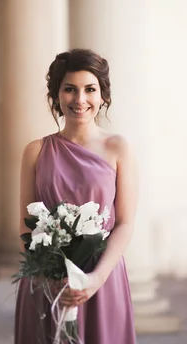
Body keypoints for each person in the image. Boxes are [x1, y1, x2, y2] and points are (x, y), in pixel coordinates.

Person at [14, 49, 138, 343]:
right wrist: (49, 274)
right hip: (47, 281)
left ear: (103, 96)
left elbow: (124, 223)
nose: (80, 99)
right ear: (57, 96)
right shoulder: (35, 151)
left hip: (102, 278)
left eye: (90, 89)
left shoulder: (118, 148)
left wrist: (95, 280)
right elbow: (25, 224)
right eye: (70, 89)